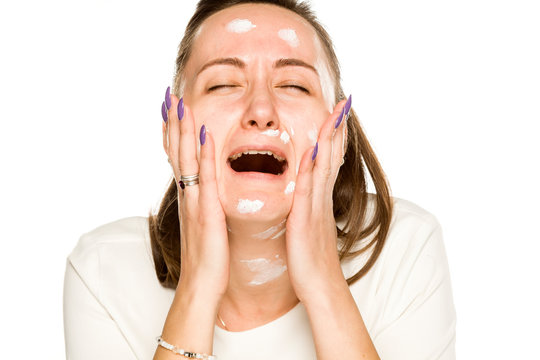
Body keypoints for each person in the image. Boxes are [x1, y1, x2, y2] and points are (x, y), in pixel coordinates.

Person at [63, 0, 456, 359]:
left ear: (338, 133)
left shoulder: (404, 251)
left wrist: (324, 284)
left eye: (294, 85)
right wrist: (198, 289)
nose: (261, 109)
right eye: (222, 84)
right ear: (173, 130)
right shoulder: (106, 271)